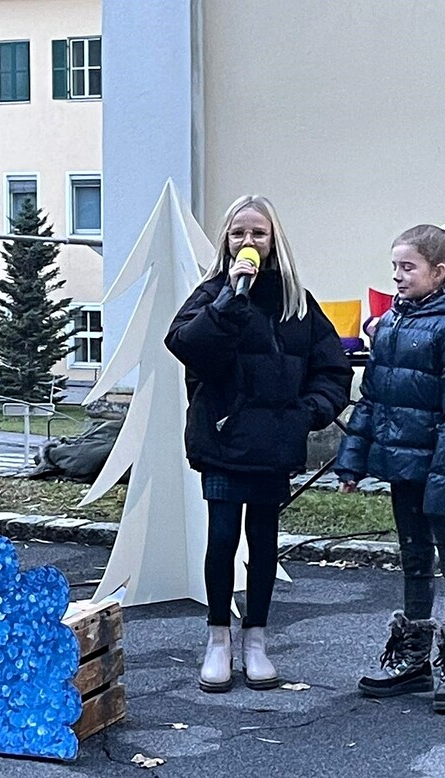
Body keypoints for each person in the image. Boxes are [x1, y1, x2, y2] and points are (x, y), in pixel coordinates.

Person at [165, 195, 352, 693]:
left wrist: (303, 414)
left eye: (258, 233)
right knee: (223, 537)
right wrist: (230, 298)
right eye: (238, 233)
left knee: (265, 541)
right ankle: (218, 638)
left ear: (274, 241)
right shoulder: (212, 294)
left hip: (273, 444)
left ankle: (257, 639)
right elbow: (185, 345)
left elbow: (333, 370)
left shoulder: (297, 303)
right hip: (223, 438)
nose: (248, 241)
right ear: (226, 241)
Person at [336, 224, 445, 715]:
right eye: (394, 267)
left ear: (439, 272)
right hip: (403, 466)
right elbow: (372, 398)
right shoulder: (395, 323)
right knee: (414, 557)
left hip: (442, 470)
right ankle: (413, 659)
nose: (397, 277)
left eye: (408, 267)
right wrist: (352, 460)